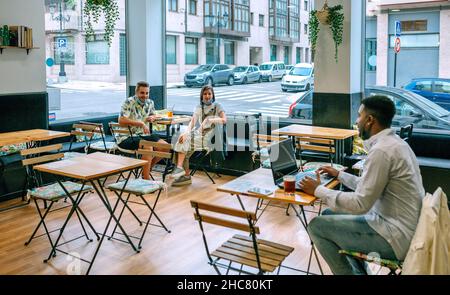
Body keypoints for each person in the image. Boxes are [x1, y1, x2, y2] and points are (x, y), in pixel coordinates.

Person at [299, 95, 425, 275]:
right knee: (328, 213)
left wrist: (318, 190)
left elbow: (361, 204)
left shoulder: (381, 151)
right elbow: (371, 186)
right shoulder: (395, 144)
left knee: (317, 226)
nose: (356, 121)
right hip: (402, 226)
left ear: (369, 120)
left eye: (359, 116)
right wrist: (340, 175)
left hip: (395, 237)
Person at [170, 85, 227, 186]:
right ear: (201, 96)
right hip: (200, 134)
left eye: (209, 94)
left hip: (211, 138)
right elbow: (192, 122)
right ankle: (185, 175)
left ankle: (180, 169)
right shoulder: (199, 107)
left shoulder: (217, 105)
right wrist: (186, 133)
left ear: (213, 95)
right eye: (205, 94)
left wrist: (210, 119)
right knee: (181, 140)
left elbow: (224, 120)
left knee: (184, 143)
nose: (207, 96)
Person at [118, 81, 169, 180]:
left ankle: (147, 170)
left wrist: (153, 117)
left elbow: (153, 114)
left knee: (165, 147)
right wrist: (141, 123)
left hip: (143, 135)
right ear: (136, 92)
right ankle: (146, 179)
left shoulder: (150, 102)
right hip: (127, 136)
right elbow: (121, 120)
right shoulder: (128, 102)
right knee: (148, 146)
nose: (145, 96)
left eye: (147, 93)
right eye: (142, 93)